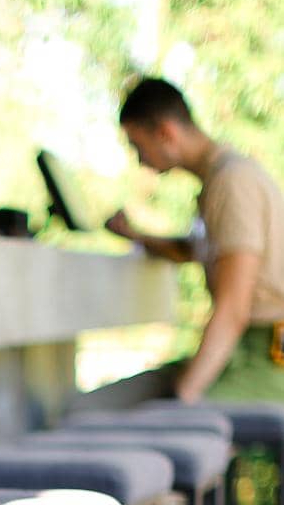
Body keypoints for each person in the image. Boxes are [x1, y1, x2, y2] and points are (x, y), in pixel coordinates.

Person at [106, 77, 284, 403]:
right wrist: (136, 236)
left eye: (138, 146)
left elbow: (234, 307)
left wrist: (184, 396)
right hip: (239, 350)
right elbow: (196, 251)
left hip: (268, 359)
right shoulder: (215, 181)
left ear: (165, 133)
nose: (139, 159)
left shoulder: (233, 181)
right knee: (102, 404)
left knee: (160, 423)